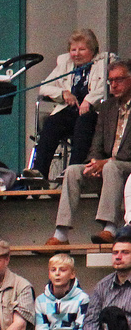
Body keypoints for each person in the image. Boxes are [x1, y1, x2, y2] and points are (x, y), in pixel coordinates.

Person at [51, 57, 131, 246]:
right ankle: (61, 233)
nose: (113, 85)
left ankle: (110, 228)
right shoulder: (107, 107)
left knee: (111, 167)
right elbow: (97, 141)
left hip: (126, 169)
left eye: (119, 80)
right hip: (108, 168)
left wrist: (107, 162)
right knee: (73, 171)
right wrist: (94, 162)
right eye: (110, 81)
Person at [33, 30, 109, 183]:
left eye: (82, 49)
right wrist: (63, 93)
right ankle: (38, 173)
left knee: (83, 122)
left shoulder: (103, 63)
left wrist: (89, 100)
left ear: (93, 50)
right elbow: (44, 87)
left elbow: (106, 87)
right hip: (69, 110)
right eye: (73, 50)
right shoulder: (64, 64)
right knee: (52, 122)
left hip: (93, 113)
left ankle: (73, 170)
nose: (76, 54)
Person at [84, 235, 131, 330]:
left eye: (125, 252)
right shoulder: (102, 286)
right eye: (115, 253)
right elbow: (90, 321)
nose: (118, 257)